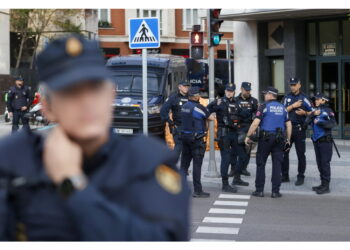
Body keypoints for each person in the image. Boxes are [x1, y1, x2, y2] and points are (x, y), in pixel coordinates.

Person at [0, 35, 190, 241]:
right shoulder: (13, 160)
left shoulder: (146, 163)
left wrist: (71, 185)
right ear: (48, 107)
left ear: (111, 95)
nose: (87, 102)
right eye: (71, 93)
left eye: (95, 89)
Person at [245, 86, 292, 198]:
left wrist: (248, 136)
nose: (264, 95)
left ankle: (259, 190)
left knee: (261, 163)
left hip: (266, 139)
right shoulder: (283, 108)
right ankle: (275, 192)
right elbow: (289, 125)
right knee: (277, 165)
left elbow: (255, 123)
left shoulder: (264, 106)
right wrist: (288, 139)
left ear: (271, 95)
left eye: (266, 94)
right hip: (279, 139)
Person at [208, 83, 248, 193]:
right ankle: (225, 184)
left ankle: (236, 178)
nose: (229, 92)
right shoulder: (220, 101)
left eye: (231, 91)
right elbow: (207, 109)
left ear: (234, 92)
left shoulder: (237, 102)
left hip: (235, 133)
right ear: (225, 91)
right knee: (226, 159)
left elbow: (244, 115)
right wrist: (209, 115)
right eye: (227, 90)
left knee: (243, 156)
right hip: (224, 134)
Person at [180, 86, 214, 198]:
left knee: (184, 164)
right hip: (196, 139)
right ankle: (198, 190)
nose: (199, 96)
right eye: (198, 95)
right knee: (197, 165)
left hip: (185, 137)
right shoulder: (198, 107)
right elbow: (211, 118)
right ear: (195, 96)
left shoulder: (184, 106)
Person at [281, 78, 313, 185]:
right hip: (288, 129)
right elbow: (282, 111)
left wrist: (304, 112)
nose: (292, 86)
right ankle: (285, 175)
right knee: (285, 152)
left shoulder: (304, 98)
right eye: (291, 85)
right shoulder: (287, 97)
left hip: (299, 130)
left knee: (300, 154)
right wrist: (293, 106)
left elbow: (313, 113)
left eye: (294, 85)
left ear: (299, 85)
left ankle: (301, 176)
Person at [304, 93, 336, 195]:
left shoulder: (328, 111)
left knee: (325, 164)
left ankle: (326, 186)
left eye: (318, 99)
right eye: (315, 99)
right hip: (317, 141)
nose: (316, 101)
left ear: (324, 100)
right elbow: (305, 123)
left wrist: (320, 122)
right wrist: (313, 114)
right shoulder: (314, 111)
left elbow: (332, 124)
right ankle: (322, 184)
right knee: (319, 164)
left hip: (325, 141)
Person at [160, 80, 190, 161]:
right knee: (178, 148)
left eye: (187, 86)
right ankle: (171, 166)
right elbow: (163, 111)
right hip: (178, 127)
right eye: (184, 86)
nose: (186, 88)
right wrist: (170, 121)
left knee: (187, 150)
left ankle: (184, 170)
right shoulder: (173, 98)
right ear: (179, 87)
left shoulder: (190, 97)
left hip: (190, 127)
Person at [235, 82, 258, 177]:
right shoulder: (236, 100)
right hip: (238, 128)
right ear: (241, 89)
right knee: (236, 151)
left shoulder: (254, 101)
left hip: (249, 128)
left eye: (249, 90)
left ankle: (244, 168)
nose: (248, 92)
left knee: (248, 150)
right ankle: (235, 169)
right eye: (246, 90)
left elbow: (257, 114)